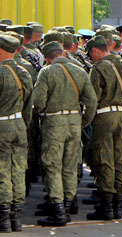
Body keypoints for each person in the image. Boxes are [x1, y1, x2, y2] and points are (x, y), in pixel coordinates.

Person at [33, 41, 97, 227]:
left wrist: (40, 114)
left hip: (54, 122)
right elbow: (91, 102)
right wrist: (83, 121)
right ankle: (68, 206)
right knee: (70, 166)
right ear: (62, 53)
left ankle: (58, 210)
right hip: (75, 123)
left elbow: (38, 102)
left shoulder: (46, 72)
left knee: (52, 165)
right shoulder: (80, 71)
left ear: (47, 58)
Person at [85, 36, 122, 220]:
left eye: (90, 54)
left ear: (95, 51)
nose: (91, 58)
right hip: (121, 116)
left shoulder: (98, 68)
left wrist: (86, 120)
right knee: (120, 159)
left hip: (103, 116)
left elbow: (92, 99)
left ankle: (107, 207)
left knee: (104, 159)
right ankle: (118, 203)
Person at [0, 34, 33, 233]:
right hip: (19, 124)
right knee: (19, 170)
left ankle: (3, 215)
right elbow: (29, 105)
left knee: (2, 170)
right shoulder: (24, 72)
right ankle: (16, 216)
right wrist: (24, 125)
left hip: (2, 125)